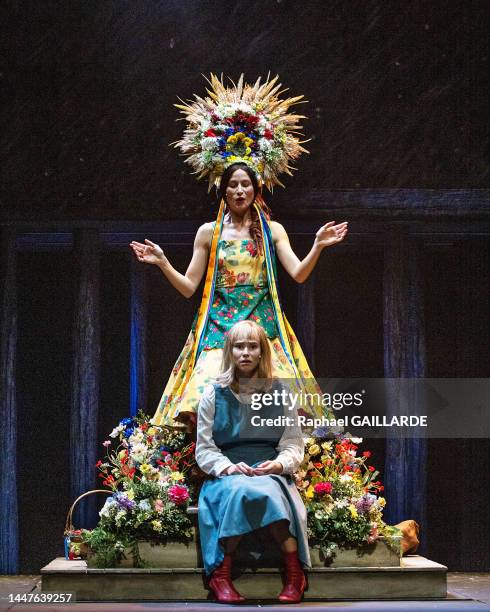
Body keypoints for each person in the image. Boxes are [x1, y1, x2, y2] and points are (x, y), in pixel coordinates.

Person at [129, 74, 348, 429]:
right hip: (219, 328)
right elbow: (189, 288)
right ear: (224, 190)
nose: (240, 191)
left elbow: (299, 274)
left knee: (282, 408)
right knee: (201, 404)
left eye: (246, 184)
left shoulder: (272, 231)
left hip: (262, 329)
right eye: (233, 185)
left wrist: (318, 246)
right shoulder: (209, 233)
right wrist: (162, 262)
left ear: (256, 188)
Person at [195, 320, 309, 604]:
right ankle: (221, 575)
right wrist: (229, 467)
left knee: (267, 489)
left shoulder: (281, 393)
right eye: (238, 346)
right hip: (227, 473)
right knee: (239, 489)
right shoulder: (214, 394)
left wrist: (279, 465)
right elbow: (205, 449)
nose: (245, 352)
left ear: (261, 352)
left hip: (268, 470)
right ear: (229, 351)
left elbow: (293, 443)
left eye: (252, 346)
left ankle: (295, 574)